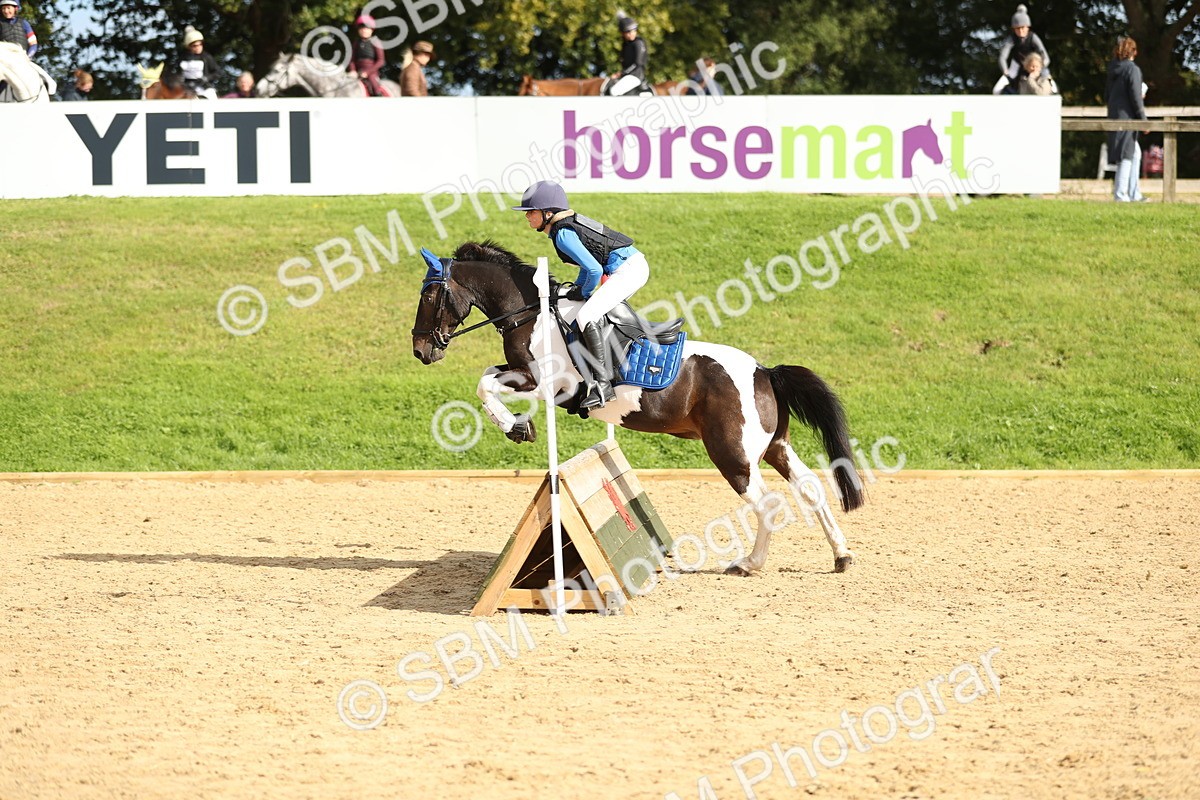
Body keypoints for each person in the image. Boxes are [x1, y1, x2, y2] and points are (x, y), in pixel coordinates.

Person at [512, 180, 649, 410]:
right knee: (587, 312)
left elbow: (594, 269)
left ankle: (603, 385)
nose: (527, 216)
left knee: (586, 316)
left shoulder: (563, 234)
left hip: (628, 270)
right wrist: (577, 288)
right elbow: (588, 267)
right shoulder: (563, 229)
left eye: (530, 212)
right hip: (627, 268)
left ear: (547, 213)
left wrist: (583, 291)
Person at [1105, 36, 1149, 202]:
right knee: (1126, 156)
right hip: (1128, 117)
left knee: (1134, 154)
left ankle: (1134, 193)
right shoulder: (1132, 70)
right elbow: (1135, 98)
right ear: (1133, 52)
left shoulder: (1112, 70)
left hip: (1114, 115)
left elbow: (1106, 95)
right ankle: (1121, 195)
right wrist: (1143, 120)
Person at [996, 5, 1051, 95]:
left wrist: (1041, 66)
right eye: (1017, 28)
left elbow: (1043, 53)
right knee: (997, 90)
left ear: (1027, 27)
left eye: (1023, 27)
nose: (1021, 31)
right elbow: (1002, 56)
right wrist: (1005, 71)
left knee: (1049, 81)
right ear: (1014, 29)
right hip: (1017, 64)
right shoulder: (1011, 39)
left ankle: (1053, 89)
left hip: (1035, 64)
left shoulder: (1033, 37)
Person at [607, 15, 648, 96]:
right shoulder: (625, 45)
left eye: (633, 31)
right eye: (628, 32)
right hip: (627, 75)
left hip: (635, 75)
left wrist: (621, 73)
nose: (631, 34)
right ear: (622, 33)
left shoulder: (638, 43)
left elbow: (637, 63)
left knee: (614, 91)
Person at [176, 26, 220, 99]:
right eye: (194, 46)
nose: (198, 47)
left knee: (212, 97)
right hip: (187, 88)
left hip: (204, 88)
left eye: (200, 44)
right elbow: (178, 74)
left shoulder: (207, 57)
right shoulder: (182, 59)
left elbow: (217, 72)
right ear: (189, 47)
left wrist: (207, 78)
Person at [348, 14, 387, 97]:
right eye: (362, 28)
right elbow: (352, 60)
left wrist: (367, 72)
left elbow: (381, 61)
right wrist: (353, 70)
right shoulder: (356, 43)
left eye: (366, 28)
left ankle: (379, 97)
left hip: (371, 72)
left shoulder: (376, 42)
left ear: (371, 30)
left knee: (373, 83)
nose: (364, 30)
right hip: (358, 72)